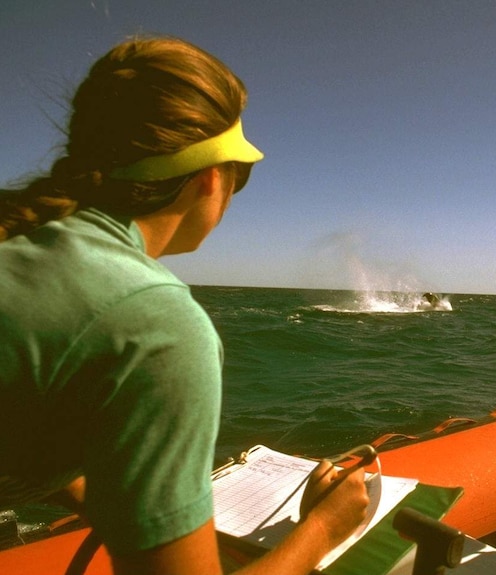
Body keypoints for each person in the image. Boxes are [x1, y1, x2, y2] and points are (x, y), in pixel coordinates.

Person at [0, 36, 369, 574]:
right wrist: (322, 528)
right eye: (240, 178)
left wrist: (89, 489)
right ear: (211, 178)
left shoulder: (26, 244)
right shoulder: (155, 322)